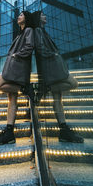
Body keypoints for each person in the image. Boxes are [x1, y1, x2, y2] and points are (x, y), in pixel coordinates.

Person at [32, 10, 84, 143]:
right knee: (73, 83)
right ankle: (46, 87)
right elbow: (40, 48)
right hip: (52, 68)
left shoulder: (42, 31)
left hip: (52, 68)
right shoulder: (38, 30)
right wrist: (53, 55)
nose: (45, 16)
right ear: (39, 18)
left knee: (58, 99)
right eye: (43, 15)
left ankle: (63, 129)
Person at [0, 11, 34, 145]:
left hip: (17, 68)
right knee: (11, 99)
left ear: (26, 18)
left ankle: (24, 87)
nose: (18, 17)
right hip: (14, 68)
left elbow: (29, 47)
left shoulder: (28, 30)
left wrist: (16, 55)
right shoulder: (21, 33)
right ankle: (9, 132)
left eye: (21, 15)